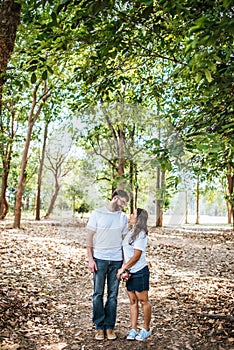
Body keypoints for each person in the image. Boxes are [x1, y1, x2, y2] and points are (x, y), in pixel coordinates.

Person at [86, 189, 129, 341]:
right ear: (115, 198)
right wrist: (90, 259)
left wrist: (124, 264)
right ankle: (99, 327)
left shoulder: (123, 217)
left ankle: (110, 326)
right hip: (100, 259)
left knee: (113, 296)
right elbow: (89, 238)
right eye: (122, 202)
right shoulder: (97, 213)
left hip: (116, 260)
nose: (124, 206)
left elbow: (125, 242)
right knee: (97, 294)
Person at [117, 208, 152, 341]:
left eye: (133, 214)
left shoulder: (141, 234)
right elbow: (126, 253)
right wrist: (124, 269)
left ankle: (146, 329)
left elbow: (137, 256)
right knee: (132, 301)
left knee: (143, 301)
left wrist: (123, 268)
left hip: (139, 272)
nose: (130, 216)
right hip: (130, 272)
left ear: (138, 218)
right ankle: (133, 329)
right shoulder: (130, 232)